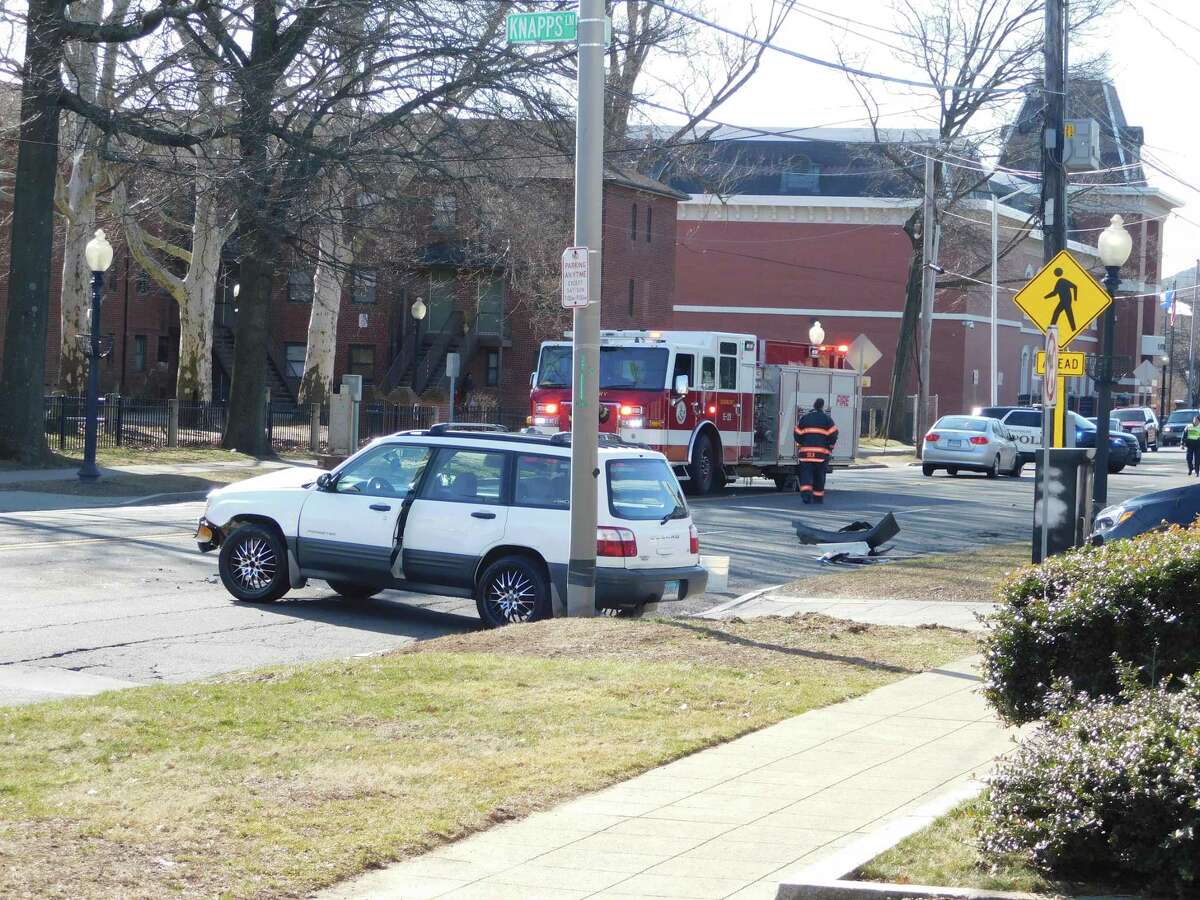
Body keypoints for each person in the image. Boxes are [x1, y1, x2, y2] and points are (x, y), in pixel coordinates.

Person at [794, 398, 839, 504]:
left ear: (813, 406)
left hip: (805, 454)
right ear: (822, 406)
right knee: (819, 475)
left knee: (805, 475)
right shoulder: (827, 419)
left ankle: (806, 496)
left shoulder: (805, 418)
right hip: (821, 454)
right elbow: (834, 434)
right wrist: (829, 446)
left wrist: (802, 443)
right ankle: (818, 497)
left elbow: (796, 433)